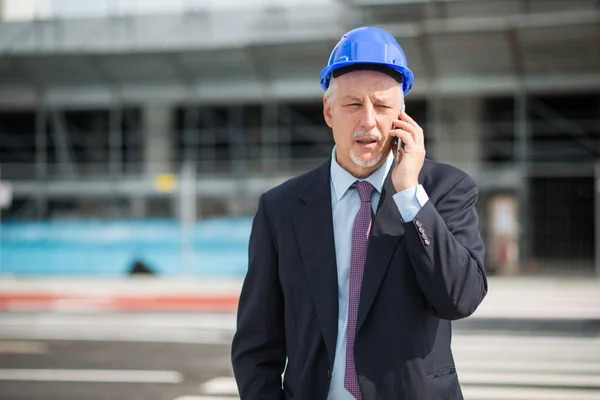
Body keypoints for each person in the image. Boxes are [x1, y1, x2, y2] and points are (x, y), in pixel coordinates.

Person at [231, 26, 487, 400]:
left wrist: (411, 196)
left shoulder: (445, 190)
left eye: (382, 106)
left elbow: (460, 298)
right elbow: (256, 343)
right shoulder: (280, 208)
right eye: (353, 105)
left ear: (401, 116)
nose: (368, 121)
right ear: (329, 111)